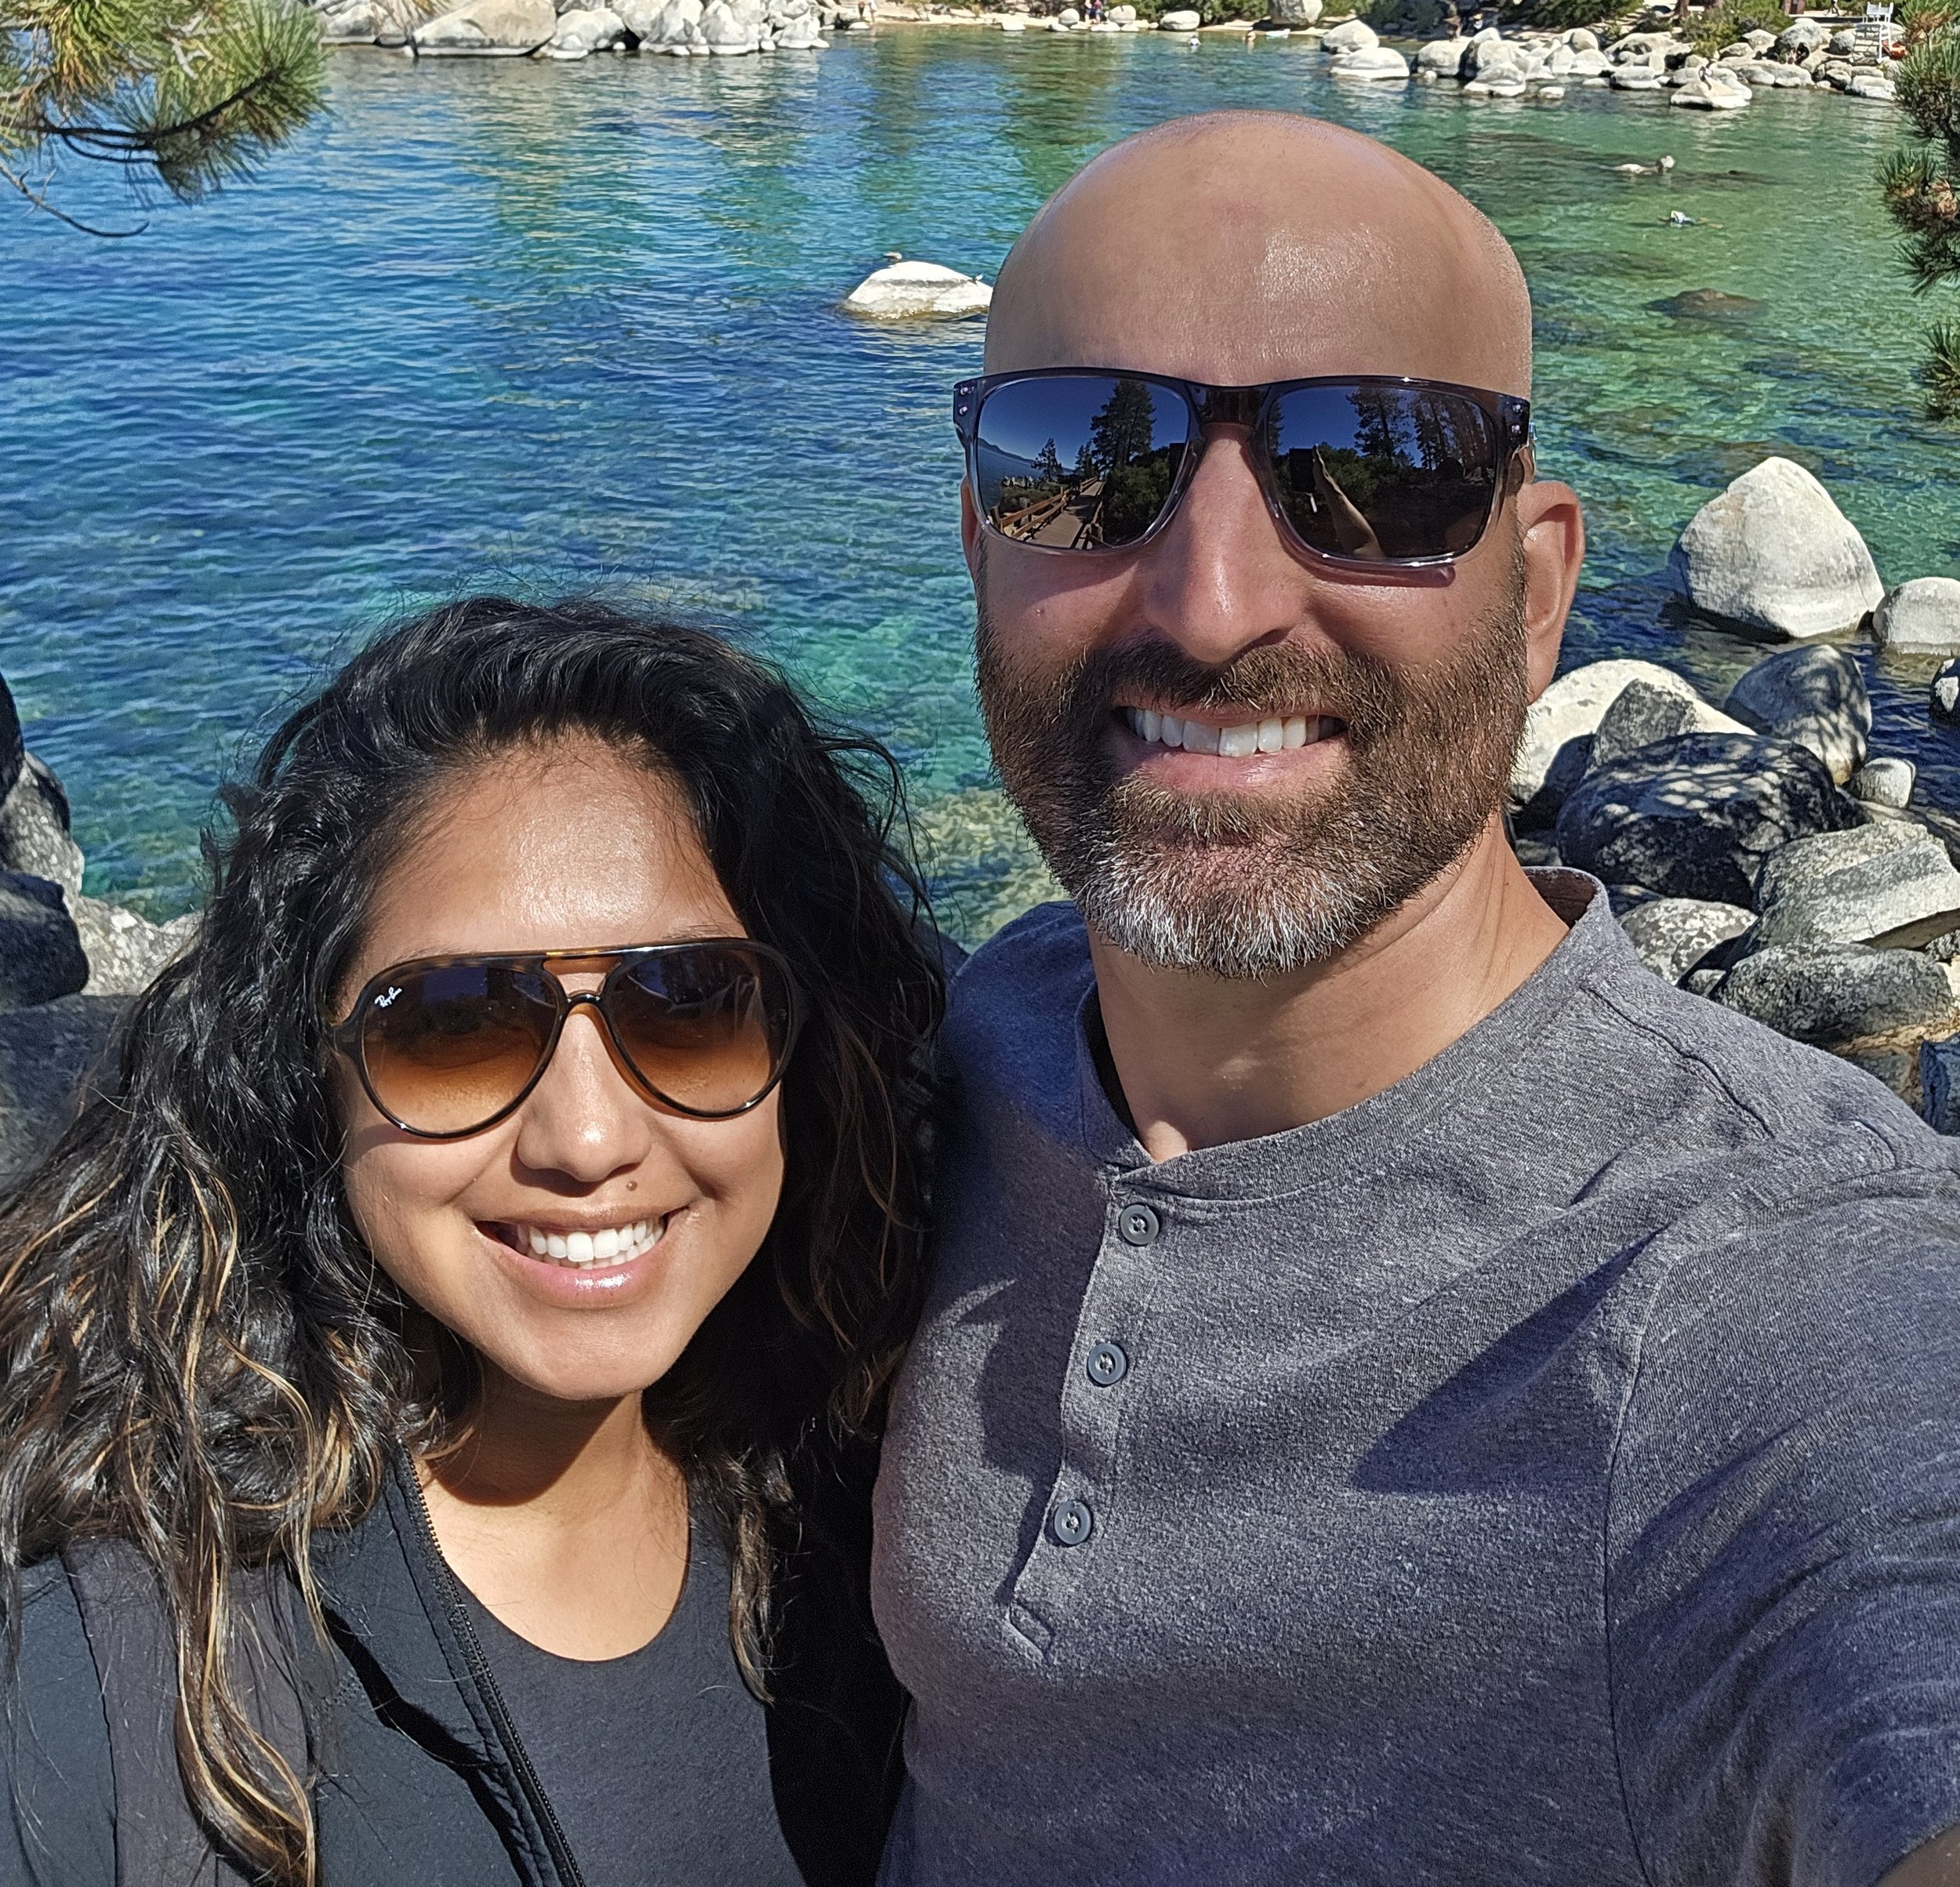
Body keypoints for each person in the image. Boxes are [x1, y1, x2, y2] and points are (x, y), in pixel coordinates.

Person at [870, 112, 1960, 1887]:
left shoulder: (1753, 1289)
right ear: (982, 539)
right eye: (1089, 457)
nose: (1211, 604)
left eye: (1374, 470)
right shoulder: (984, 1031)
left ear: (1534, 594)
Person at [0, 597, 943, 1887]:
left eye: (691, 1004)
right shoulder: (104, 1687)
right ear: (306, 1075)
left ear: (806, 1053)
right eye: (451, 1025)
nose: (589, 1137)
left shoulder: (895, 1521)